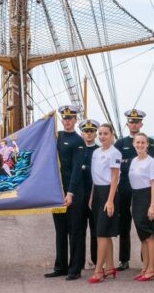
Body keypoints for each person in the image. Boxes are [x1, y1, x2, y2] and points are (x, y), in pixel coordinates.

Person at [46, 105, 85, 280]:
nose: (67, 121)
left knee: (75, 231)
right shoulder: (56, 137)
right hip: (57, 193)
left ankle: (75, 269)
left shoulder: (78, 141)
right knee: (60, 231)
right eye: (65, 118)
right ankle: (60, 266)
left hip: (73, 193)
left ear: (76, 120)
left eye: (71, 118)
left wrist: (70, 193)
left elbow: (77, 170)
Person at [112, 108, 153, 272]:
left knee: (144, 225)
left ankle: (147, 260)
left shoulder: (147, 141)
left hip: (142, 190)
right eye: (131, 121)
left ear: (141, 123)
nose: (134, 124)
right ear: (127, 123)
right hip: (123, 188)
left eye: (137, 122)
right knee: (124, 225)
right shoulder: (120, 143)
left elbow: (145, 163)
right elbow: (115, 166)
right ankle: (124, 260)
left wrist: (126, 161)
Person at [84, 123, 120, 283]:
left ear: (112, 135)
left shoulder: (115, 153)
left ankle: (99, 270)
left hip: (108, 192)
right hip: (97, 192)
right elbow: (95, 176)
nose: (102, 136)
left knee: (101, 233)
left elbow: (114, 178)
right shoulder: (96, 152)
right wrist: (92, 196)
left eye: (106, 133)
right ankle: (110, 266)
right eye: (101, 133)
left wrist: (110, 200)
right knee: (104, 232)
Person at [126, 132, 154, 282]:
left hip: (147, 198)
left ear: (147, 145)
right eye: (137, 142)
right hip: (136, 198)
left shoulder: (151, 162)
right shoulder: (133, 161)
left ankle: (152, 269)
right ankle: (145, 267)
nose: (140, 145)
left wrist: (152, 205)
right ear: (134, 144)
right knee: (143, 237)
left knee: (150, 235)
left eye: (142, 143)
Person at [68, 118, 100, 275]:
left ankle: (95, 261)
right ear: (81, 133)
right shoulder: (78, 148)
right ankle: (78, 262)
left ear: (95, 133)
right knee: (78, 230)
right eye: (86, 131)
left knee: (96, 230)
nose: (88, 134)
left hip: (95, 195)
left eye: (91, 131)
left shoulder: (99, 151)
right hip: (79, 195)